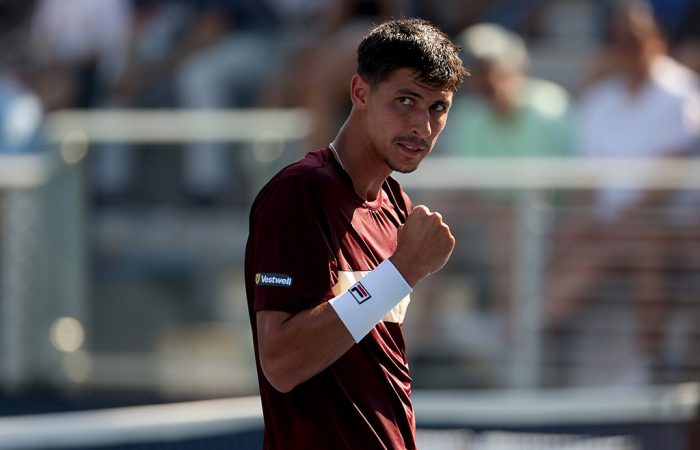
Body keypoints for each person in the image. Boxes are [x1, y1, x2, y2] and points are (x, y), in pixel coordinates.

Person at [244, 18, 466, 449]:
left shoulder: (397, 203)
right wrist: (400, 272)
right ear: (360, 92)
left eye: (438, 108)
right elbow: (282, 363)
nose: (423, 126)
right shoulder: (297, 192)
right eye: (406, 100)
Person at [545, 0, 700, 386]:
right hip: (612, 229)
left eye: (636, 40)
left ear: (656, 40)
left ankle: (655, 360)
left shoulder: (683, 92)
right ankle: (534, 337)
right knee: (562, 249)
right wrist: (576, 229)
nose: (628, 49)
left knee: (645, 240)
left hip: (671, 228)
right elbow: (589, 184)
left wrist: (619, 223)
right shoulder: (601, 99)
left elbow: (671, 172)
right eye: (620, 41)